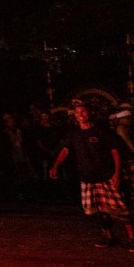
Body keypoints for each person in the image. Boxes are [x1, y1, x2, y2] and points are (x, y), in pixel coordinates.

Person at [50, 101, 134, 249]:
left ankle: (132, 238)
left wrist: (116, 173)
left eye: (83, 111)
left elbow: (115, 151)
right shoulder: (74, 133)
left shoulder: (101, 131)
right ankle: (109, 237)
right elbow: (65, 150)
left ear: (90, 113)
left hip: (106, 176)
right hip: (88, 178)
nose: (80, 115)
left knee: (122, 210)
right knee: (97, 210)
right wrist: (55, 166)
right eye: (77, 112)